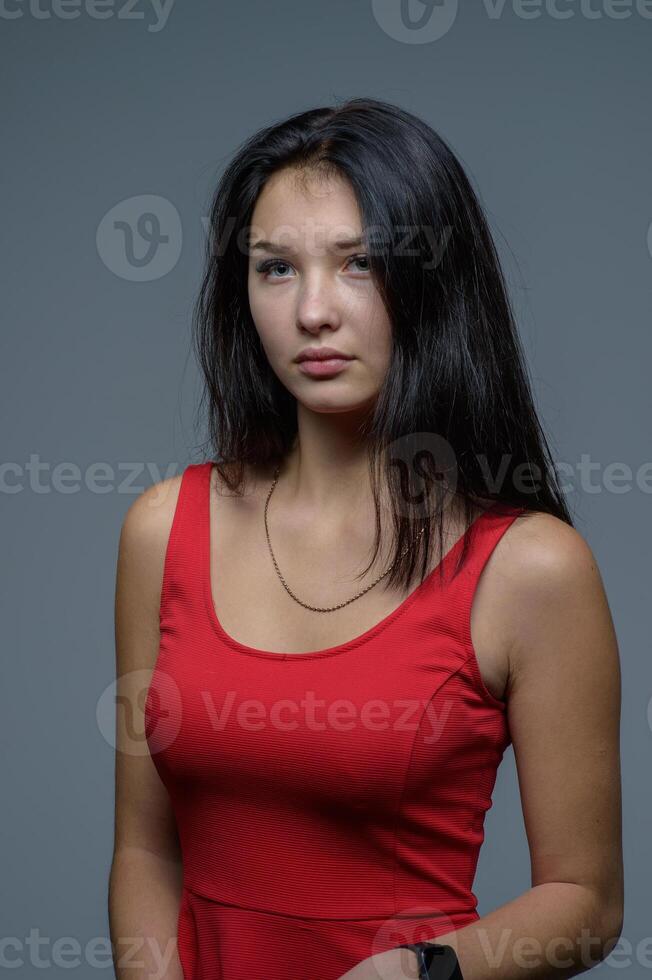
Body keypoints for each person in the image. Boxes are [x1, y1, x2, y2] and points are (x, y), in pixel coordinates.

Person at [109, 98, 623, 980]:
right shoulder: (164, 528)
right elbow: (146, 853)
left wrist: (416, 972)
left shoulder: (529, 567)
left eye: (359, 265)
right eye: (276, 269)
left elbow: (588, 899)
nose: (312, 311)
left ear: (432, 282)